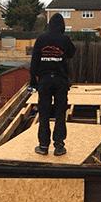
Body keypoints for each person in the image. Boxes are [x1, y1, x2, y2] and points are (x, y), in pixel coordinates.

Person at [29, 13, 76, 156]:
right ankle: (59, 146)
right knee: (60, 113)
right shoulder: (65, 39)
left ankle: (43, 146)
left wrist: (33, 80)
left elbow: (34, 61)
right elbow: (72, 53)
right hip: (60, 81)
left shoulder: (41, 39)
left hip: (44, 81)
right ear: (62, 26)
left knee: (44, 113)